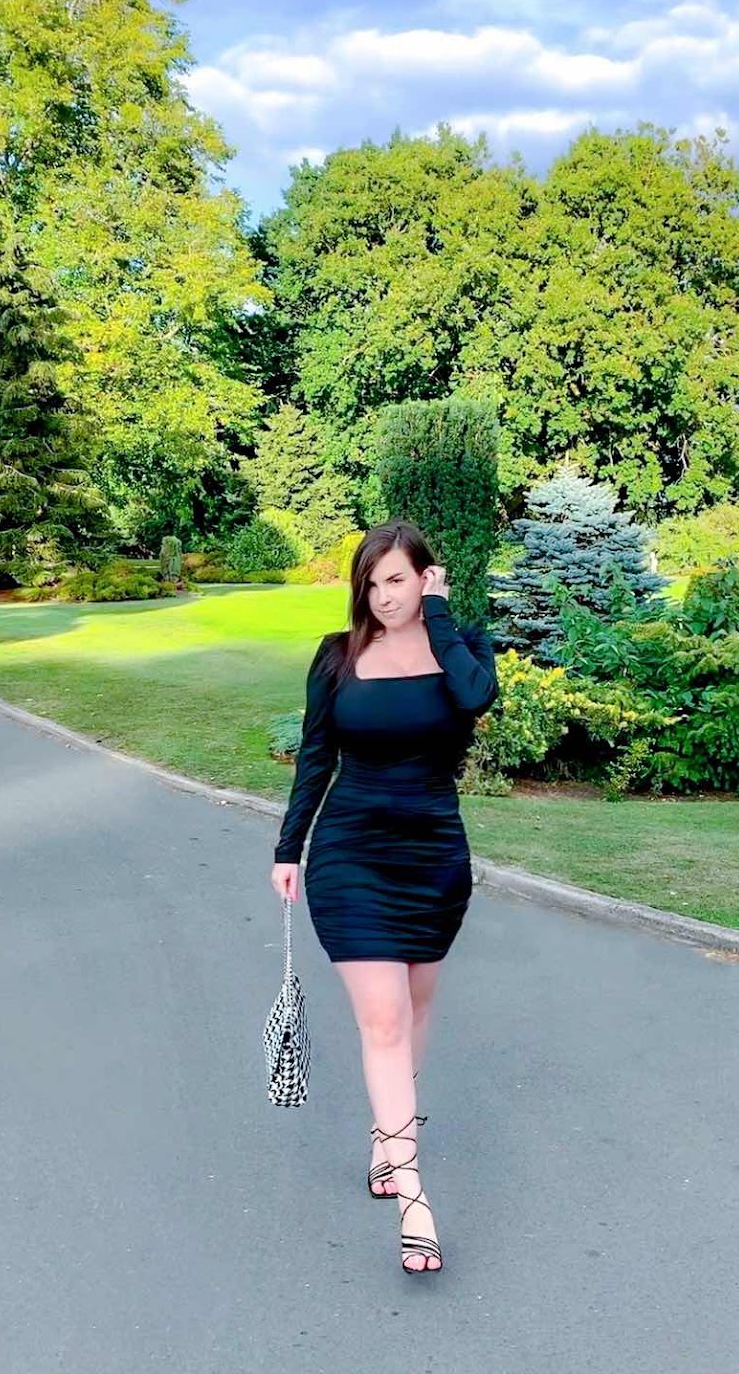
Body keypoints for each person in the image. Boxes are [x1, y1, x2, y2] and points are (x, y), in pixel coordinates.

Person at [269, 519, 499, 1275]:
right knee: (386, 1018)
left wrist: (440, 614)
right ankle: (413, 1196)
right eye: (371, 583)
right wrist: (289, 848)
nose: (382, 596)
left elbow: (477, 697)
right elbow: (315, 756)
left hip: (433, 856)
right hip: (351, 855)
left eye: (397, 579)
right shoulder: (338, 656)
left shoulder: (461, 649)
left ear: (426, 577)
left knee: (418, 1009)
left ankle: (385, 1139)